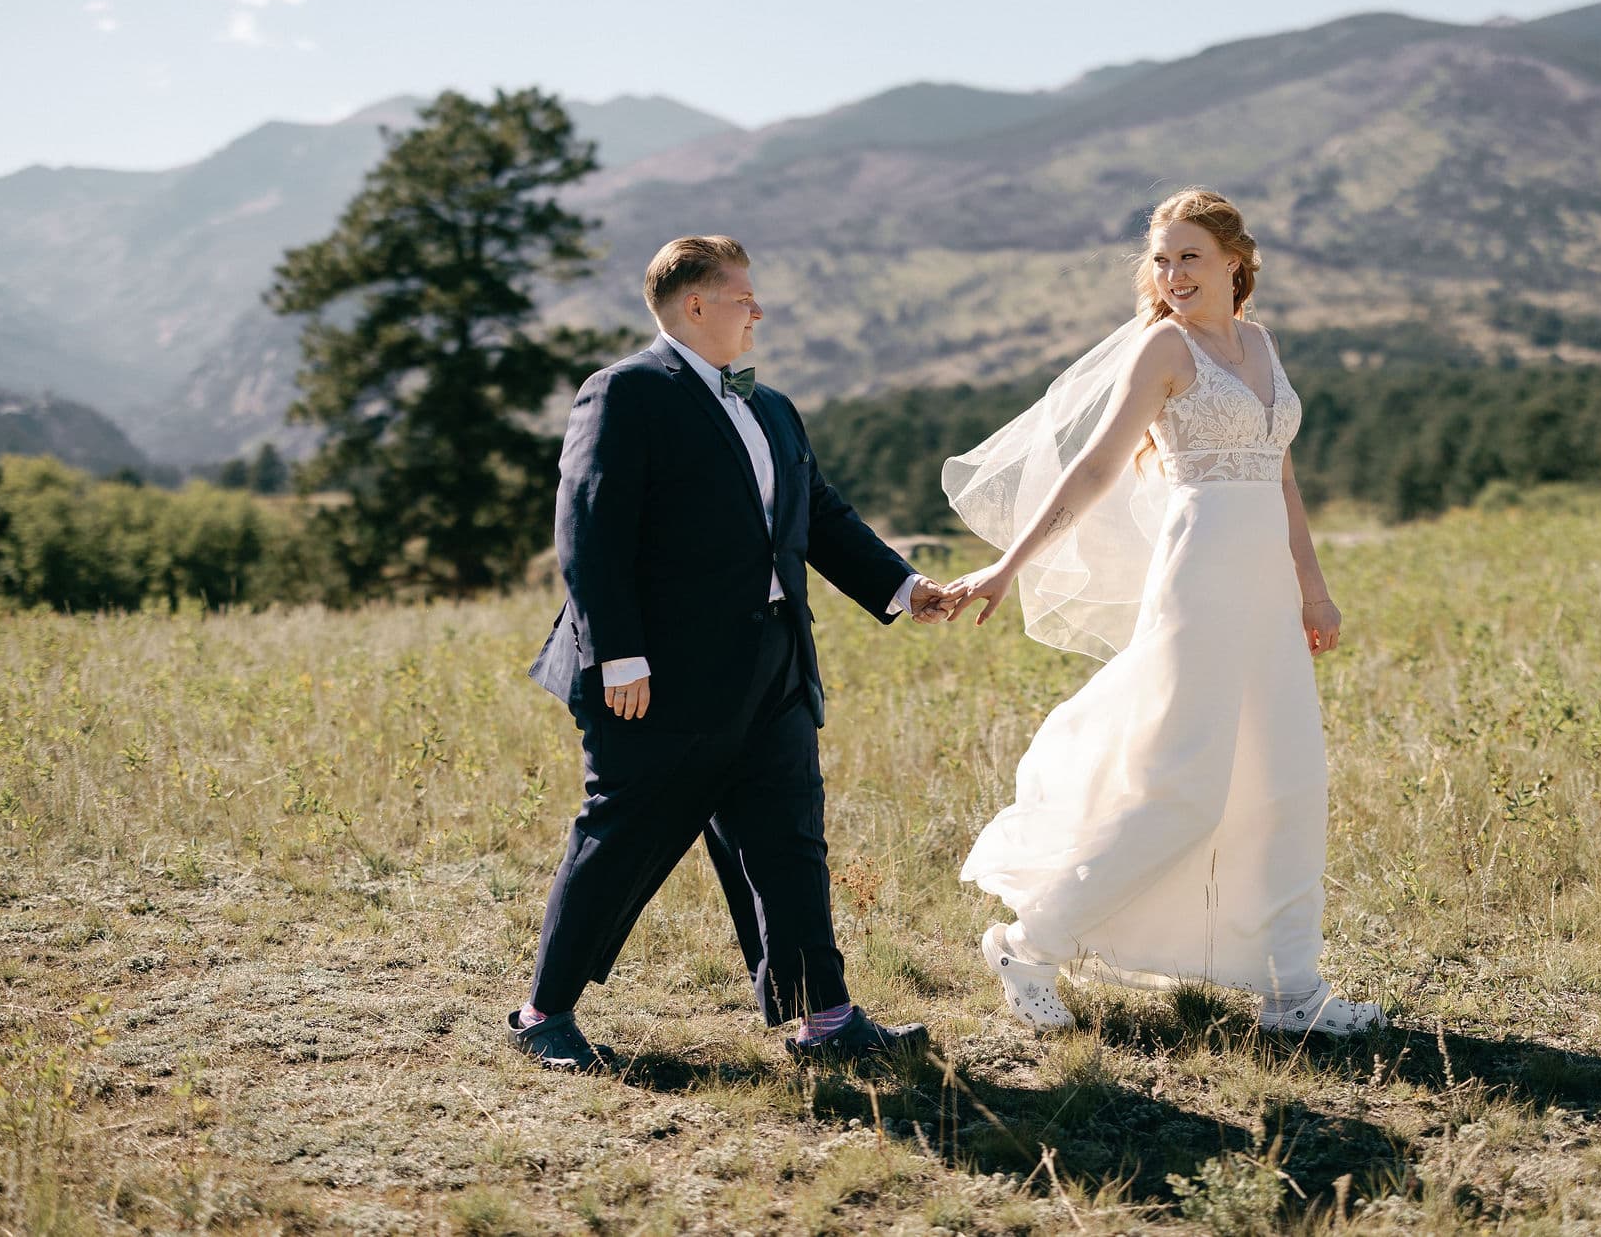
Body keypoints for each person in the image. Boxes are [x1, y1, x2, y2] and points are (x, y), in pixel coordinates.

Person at [941, 189, 1385, 1036]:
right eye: (1161, 258)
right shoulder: (1163, 350)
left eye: (1189, 256)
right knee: (1182, 785)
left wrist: (1314, 586)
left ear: (1233, 262)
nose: (1172, 273)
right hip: (1201, 583)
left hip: (1270, 592)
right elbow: (1098, 467)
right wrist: (1009, 563)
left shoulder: (1260, 341)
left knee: (1288, 778)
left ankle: (1294, 988)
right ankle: (1029, 943)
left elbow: (1281, 474)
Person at [517, 235, 950, 1069]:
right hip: (655, 677)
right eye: (743, 297)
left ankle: (826, 1020)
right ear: (694, 306)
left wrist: (904, 587)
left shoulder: (774, 407)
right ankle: (543, 1013)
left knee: (790, 842)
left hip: (775, 667)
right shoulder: (624, 393)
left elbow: (820, 516)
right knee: (621, 836)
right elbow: (590, 531)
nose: (758, 311)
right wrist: (620, 657)